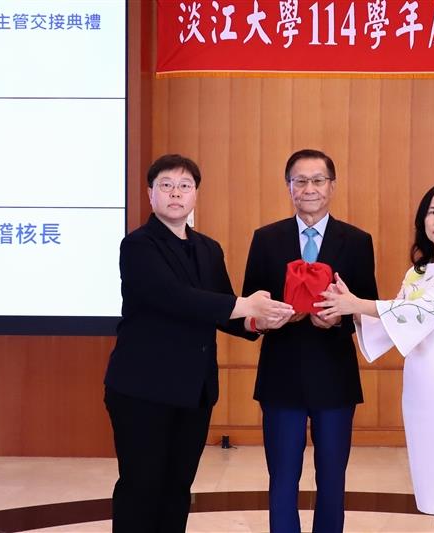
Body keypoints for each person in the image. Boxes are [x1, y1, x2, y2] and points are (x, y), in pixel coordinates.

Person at [103, 154, 293, 533]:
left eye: (185, 186)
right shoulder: (138, 246)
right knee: (142, 487)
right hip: (143, 390)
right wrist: (245, 304)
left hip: (194, 390)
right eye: (166, 185)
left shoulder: (208, 248)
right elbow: (173, 297)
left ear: (195, 196)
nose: (176, 193)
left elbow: (221, 308)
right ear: (150, 194)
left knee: (177, 488)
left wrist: (259, 321)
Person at [316, 182, 434, 533]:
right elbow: (391, 323)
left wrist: (357, 304)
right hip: (422, 392)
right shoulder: (418, 272)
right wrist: (348, 307)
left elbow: (419, 311)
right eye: (432, 212)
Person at [241, 149, 378, 532]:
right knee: (282, 478)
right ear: (288, 187)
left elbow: (367, 312)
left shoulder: (357, 241)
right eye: (300, 181)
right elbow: (250, 305)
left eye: (318, 180)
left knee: (332, 480)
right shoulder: (266, 239)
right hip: (281, 377)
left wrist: (336, 320)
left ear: (332, 186)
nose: (309, 188)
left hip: (335, 377)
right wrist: (273, 319)